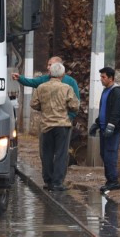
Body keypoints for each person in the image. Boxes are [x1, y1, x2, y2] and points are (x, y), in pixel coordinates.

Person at [30, 61, 80, 192]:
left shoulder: (41, 87)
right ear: (62, 74)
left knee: (46, 154)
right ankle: (57, 183)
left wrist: (44, 108)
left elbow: (33, 104)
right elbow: (75, 106)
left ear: (50, 73)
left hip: (46, 125)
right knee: (61, 154)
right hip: (62, 125)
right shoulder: (66, 88)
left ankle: (48, 181)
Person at [89, 66, 120, 193]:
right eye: (101, 77)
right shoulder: (105, 91)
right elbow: (103, 110)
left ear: (111, 78)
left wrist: (111, 126)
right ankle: (110, 180)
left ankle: (114, 182)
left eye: (103, 77)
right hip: (104, 129)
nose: (101, 79)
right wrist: (97, 124)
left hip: (112, 131)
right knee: (104, 154)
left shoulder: (116, 91)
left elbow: (116, 112)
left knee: (110, 154)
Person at [13, 56, 80, 121]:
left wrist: (69, 117)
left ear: (58, 67)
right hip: (48, 122)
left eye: (50, 65)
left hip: (62, 122)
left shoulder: (71, 82)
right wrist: (20, 78)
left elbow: (76, 102)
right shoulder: (44, 79)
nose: (48, 67)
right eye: (48, 65)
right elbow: (31, 82)